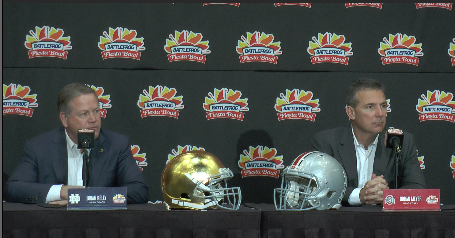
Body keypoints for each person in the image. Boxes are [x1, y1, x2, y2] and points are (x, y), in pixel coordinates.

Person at [4, 83, 149, 204]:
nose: (93, 119)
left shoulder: (117, 145)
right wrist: (61, 191)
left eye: (96, 111)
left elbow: (139, 191)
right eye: (84, 114)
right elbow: (13, 189)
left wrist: (84, 198)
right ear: (64, 119)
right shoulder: (39, 147)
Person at [311, 78, 426, 206]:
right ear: (351, 112)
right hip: (341, 223)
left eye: (383, 106)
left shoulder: (401, 142)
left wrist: (388, 196)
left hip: (386, 224)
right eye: (370, 107)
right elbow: (318, 189)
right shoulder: (327, 142)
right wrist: (360, 195)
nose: (380, 113)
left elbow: (418, 189)